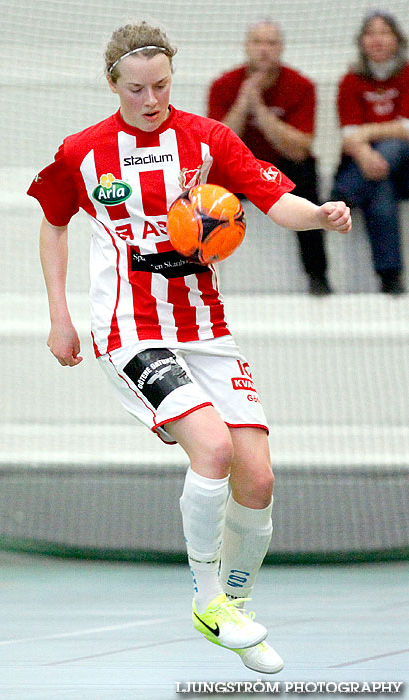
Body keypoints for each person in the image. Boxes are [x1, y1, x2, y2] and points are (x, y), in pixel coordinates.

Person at [28, 21, 350, 674]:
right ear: (113, 83)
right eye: (138, 89)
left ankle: (236, 603)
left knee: (257, 476)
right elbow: (53, 226)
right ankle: (205, 600)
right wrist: (60, 315)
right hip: (130, 328)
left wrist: (318, 214)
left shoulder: (207, 139)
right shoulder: (83, 152)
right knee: (214, 447)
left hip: (205, 329)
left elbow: (273, 199)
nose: (151, 100)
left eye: (163, 86)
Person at [207, 19, 332, 296]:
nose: (264, 50)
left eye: (271, 43)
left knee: (307, 182)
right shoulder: (223, 85)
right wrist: (244, 100)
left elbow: (299, 148)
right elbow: (215, 147)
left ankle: (318, 276)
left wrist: (260, 110)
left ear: (281, 48)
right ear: (246, 46)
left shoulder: (301, 85)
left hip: (283, 168)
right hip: (239, 167)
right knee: (201, 190)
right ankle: (201, 275)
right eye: (257, 42)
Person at [331, 10, 409, 295]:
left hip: (405, 167)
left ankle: (345, 190)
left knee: (394, 146)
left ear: (397, 40)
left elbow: (406, 129)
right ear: (362, 41)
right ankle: (390, 277)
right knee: (379, 187)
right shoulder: (350, 81)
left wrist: (365, 135)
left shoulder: (407, 74)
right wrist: (364, 154)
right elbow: (347, 135)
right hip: (372, 170)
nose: (377, 39)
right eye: (371, 33)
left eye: (384, 32)